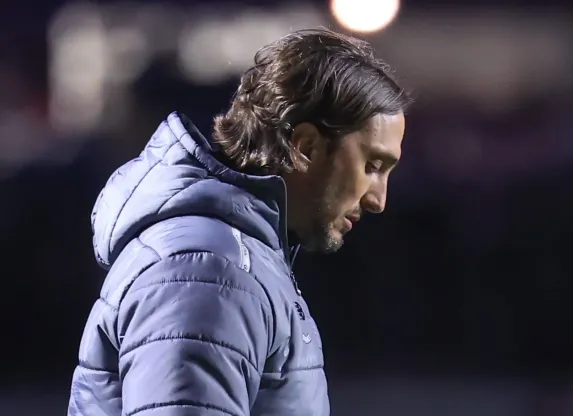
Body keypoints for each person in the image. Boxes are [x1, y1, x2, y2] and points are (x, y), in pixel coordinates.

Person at [67, 28, 412, 416]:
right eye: (372, 166)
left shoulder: (230, 260)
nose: (378, 200)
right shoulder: (209, 271)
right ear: (306, 147)